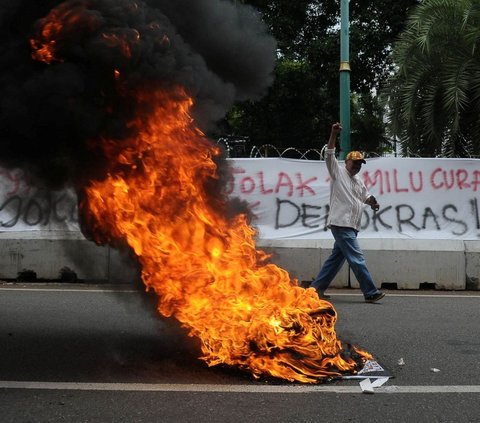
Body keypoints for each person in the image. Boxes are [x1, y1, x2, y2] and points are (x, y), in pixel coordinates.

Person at [310, 122, 385, 303]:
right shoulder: (337, 171)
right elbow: (329, 153)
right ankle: (370, 292)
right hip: (341, 223)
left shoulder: (358, 180)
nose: (357, 166)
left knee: (336, 259)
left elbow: (364, 196)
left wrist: (372, 202)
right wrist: (333, 133)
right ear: (347, 161)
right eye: (355, 163)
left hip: (352, 225)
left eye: (360, 164)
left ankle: (314, 291)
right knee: (356, 258)